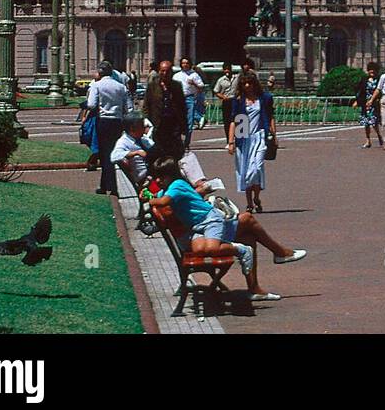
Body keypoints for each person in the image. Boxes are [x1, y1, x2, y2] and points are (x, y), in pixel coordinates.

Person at [153, 157, 304, 303]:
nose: (158, 181)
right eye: (157, 177)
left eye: (161, 177)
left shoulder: (171, 189)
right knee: (247, 222)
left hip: (201, 226)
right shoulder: (167, 194)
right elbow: (167, 207)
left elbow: (180, 201)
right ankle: (277, 255)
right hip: (199, 230)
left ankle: (265, 271)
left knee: (247, 229)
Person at [226, 70, 275, 213]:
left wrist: (274, 135)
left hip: (259, 137)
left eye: (250, 83)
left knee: (256, 168)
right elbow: (234, 121)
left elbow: (270, 116)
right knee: (245, 171)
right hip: (243, 138)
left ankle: (257, 196)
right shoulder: (239, 101)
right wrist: (231, 142)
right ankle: (250, 203)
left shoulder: (264, 98)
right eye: (244, 83)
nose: (247, 86)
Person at [87, 60, 132, 195]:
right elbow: (128, 107)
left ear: (100, 72)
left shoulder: (97, 85)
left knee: (105, 154)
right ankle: (109, 185)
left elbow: (91, 104)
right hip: (117, 121)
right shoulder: (121, 87)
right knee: (113, 152)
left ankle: (109, 185)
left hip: (103, 121)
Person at [144, 59, 187, 160]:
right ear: (159, 71)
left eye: (167, 71)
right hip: (157, 124)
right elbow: (146, 105)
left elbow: (182, 106)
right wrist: (146, 123)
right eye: (162, 71)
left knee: (174, 153)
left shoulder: (177, 86)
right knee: (158, 152)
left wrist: (184, 126)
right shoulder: (152, 85)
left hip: (173, 124)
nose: (165, 73)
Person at [109, 112, 154, 189]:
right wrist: (136, 153)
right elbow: (114, 156)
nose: (144, 127)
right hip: (144, 182)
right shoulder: (123, 141)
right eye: (141, 125)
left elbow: (154, 147)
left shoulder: (143, 139)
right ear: (132, 128)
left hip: (154, 175)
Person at [174, 58, 206, 146]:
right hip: (178, 99)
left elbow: (202, 87)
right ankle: (178, 141)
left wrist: (194, 84)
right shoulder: (176, 75)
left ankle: (186, 142)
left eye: (187, 63)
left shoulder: (194, 75)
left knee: (189, 121)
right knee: (177, 120)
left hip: (189, 98)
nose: (185, 65)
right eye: (183, 63)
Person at [355, 62, 383, 149]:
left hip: (375, 103)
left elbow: (381, 91)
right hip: (365, 103)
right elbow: (359, 91)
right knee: (366, 123)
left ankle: (379, 135)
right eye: (370, 71)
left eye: (374, 71)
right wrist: (357, 101)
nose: (372, 72)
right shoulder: (364, 79)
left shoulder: (379, 80)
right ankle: (368, 140)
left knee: (374, 122)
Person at [213, 62, 238, 131]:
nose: (227, 71)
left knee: (236, 118)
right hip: (226, 101)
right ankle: (228, 136)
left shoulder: (237, 78)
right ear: (223, 70)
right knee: (227, 120)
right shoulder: (221, 80)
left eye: (228, 69)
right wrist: (223, 97)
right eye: (225, 69)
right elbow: (216, 91)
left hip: (235, 100)